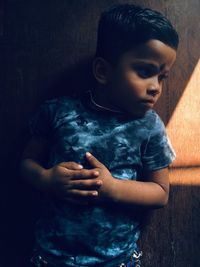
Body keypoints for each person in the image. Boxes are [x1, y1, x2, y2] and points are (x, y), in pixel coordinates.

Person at [20, 4, 179, 267]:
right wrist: (46, 178)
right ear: (103, 71)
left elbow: (161, 193)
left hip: (116, 260)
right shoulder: (59, 112)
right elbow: (25, 164)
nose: (155, 88)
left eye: (162, 77)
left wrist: (113, 188)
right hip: (51, 257)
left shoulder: (149, 127)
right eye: (144, 72)